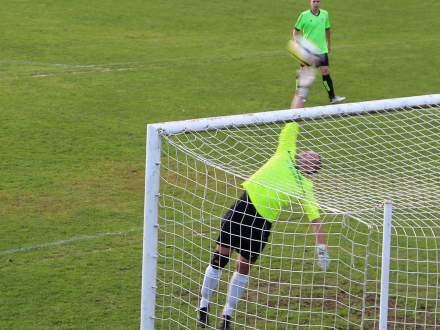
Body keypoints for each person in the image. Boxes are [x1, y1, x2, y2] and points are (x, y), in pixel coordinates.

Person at [197, 71, 330, 329]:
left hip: (262, 224)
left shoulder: (305, 185)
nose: (307, 152)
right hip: (244, 207)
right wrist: (302, 90)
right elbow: (294, 115)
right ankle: (203, 305)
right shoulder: (286, 149)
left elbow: (316, 219)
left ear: (311, 168)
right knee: (220, 257)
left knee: (243, 267)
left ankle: (227, 314)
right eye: (308, 151)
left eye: (312, 157)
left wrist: (321, 247)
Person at [291, 0, 346, 107]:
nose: (316, 3)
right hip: (307, 51)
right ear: (310, 2)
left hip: (322, 50)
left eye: (318, 1)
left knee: (325, 72)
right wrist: (298, 44)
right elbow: (295, 31)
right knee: (304, 73)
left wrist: (329, 44)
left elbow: (327, 29)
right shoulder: (304, 15)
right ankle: (300, 95)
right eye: (314, 1)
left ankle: (332, 97)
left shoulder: (325, 14)